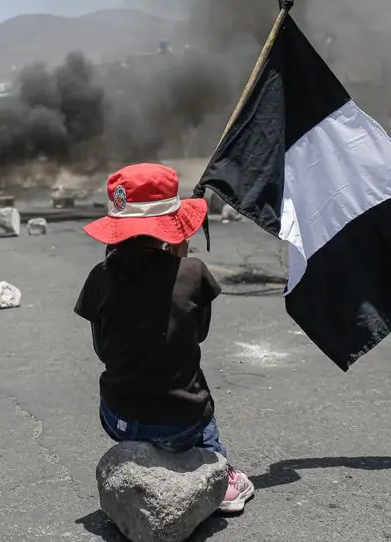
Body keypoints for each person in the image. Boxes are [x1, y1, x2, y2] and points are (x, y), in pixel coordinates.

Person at [73, 163, 255, 514]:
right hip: (182, 424)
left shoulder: (99, 277)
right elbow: (197, 334)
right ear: (171, 226)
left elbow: (102, 350)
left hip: (119, 419)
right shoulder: (193, 272)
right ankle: (220, 473)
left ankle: (146, 453)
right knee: (192, 381)